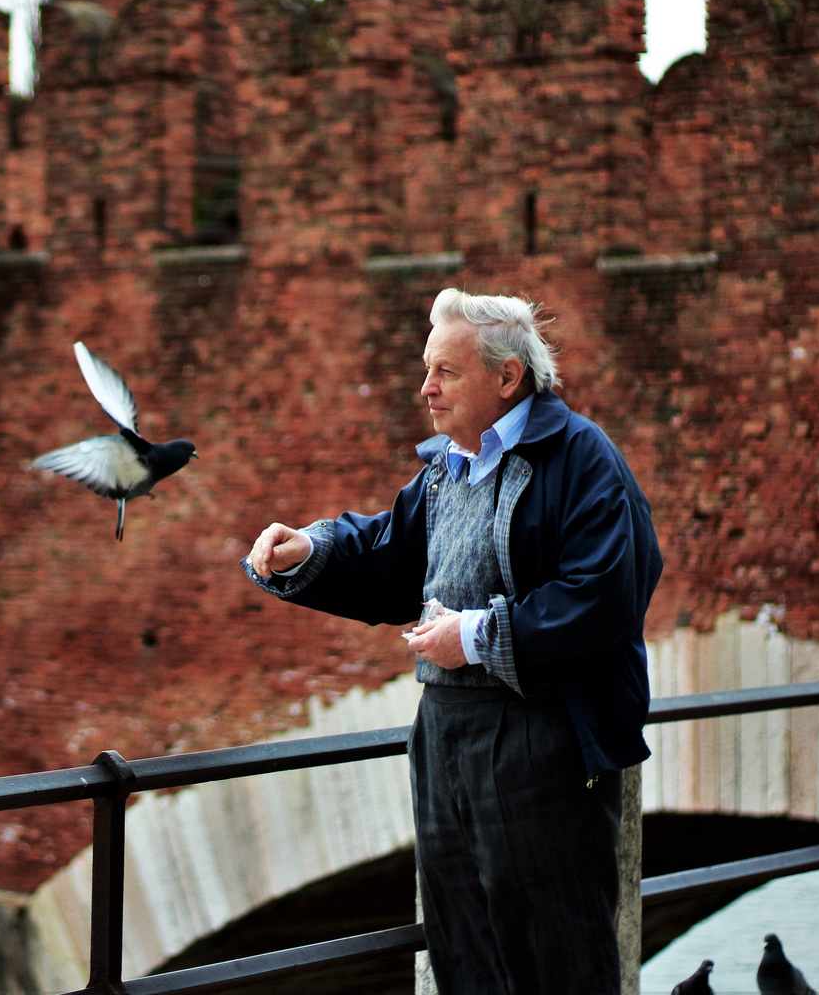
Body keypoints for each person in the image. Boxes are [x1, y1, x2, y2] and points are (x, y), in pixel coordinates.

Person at [244, 288, 662, 995]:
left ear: (508, 377)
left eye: (446, 372)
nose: (426, 389)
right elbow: (389, 552)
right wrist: (309, 548)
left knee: (556, 959)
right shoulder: (447, 467)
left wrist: (473, 636)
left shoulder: (583, 457)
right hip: (445, 738)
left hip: (543, 737)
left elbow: (604, 598)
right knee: (463, 951)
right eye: (427, 369)